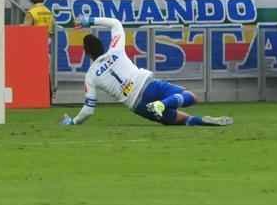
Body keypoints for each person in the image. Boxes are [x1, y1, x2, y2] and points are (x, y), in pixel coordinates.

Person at [60, 15, 232, 127]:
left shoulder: (90, 76)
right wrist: (89, 21)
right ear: (102, 45)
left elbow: (88, 110)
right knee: (192, 97)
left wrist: (73, 122)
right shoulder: (115, 49)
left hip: (137, 104)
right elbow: (115, 23)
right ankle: (163, 104)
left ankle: (199, 120)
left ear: (86, 53)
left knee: (180, 119)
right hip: (148, 85)